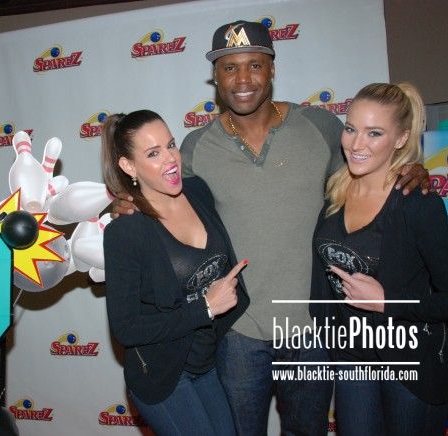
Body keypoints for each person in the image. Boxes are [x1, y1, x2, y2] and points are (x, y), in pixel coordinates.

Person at [113, 20, 429, 435]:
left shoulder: (321, 127)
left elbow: (367, 176)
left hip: (310, 331)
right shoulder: (195, 146)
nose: (242, 79)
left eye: (255, 65)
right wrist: (128, 202)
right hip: (237, 332)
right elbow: (165, 197)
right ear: (215, 77)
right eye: (229, 68)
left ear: (273, 69)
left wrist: (411, 168)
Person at [310, 82, 448, 435]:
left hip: (410, 363)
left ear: (400, 139)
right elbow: (323, 282)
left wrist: (387, 302)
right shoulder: (335, 193)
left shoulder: (417, 202)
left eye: (374, 133)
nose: (357, 144)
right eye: (351, 129)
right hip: (353, 362)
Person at [102, 109, 249, 435]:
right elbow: (126, 328)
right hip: (163, 375)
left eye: (170, 145)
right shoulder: (126, 230)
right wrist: (205, 307)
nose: (170, 159)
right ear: (129, 166)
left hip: (206, 362)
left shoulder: (197, 191)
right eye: (153, 153)